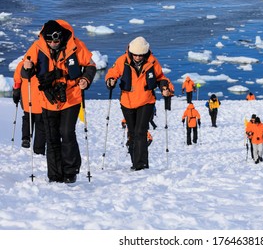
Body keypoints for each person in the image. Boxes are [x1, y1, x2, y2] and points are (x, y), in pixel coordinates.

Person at [21, 19, 97, 184]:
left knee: (67, 132)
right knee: (52, 137)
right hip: (48, 99)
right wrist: (26, 67)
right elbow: (25, 73)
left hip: (71, 96)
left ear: (61, 37)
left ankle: (70, 171)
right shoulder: (37, 47)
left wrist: (86, 79)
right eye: (50, 41)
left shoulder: (75, 45)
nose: (54, 44)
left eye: (56, 40)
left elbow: (91, 65)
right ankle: (54, 175)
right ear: (45, 39)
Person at [105, 36, 171, 171]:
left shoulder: (152, 61)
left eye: (140, 55)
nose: (138, 57)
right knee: (133, 132)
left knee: (141, 131)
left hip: (146, 101)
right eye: (135, 55)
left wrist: (165, 88)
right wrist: (110, 80)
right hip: (127, 102)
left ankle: (141, 165)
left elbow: (160, 77)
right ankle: (135, 162)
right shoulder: (122, 60)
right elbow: (112, 73)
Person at [13, 60, 46, 154]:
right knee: (41, 123)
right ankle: (39, 148)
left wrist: (16, 93)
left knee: (27, 118)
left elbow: (17, 81)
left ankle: (26, 138)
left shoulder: (21, 64)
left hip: (27, 98)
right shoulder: (43, 63)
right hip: (41, 100)